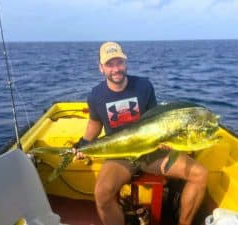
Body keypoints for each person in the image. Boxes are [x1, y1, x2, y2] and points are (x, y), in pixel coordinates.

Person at [73, 41, 208, 225]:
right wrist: (83, 144)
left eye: (119, 62)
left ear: (126, 63)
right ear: (101, 68)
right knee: (102, 193)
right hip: (121, 154)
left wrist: (166, 140)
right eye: (109, 64)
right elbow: (94, 123)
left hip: (152, 151)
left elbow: (157, 120)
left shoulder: (144, 86)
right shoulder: (96, 95)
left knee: (200, 174)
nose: (116, 69)